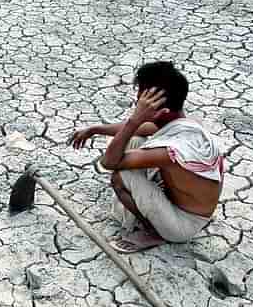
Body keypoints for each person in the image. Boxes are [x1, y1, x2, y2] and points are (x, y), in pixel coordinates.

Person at [68, 61, 224, 253]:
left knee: (121, 177)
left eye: (142, 102)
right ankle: (153, 213)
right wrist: (95, 129)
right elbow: (140, 129)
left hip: (182, 225)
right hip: (183, 204)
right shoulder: (181, 122)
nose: (138, 104)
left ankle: (153, 232)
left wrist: (136, 118)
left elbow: (108, 162)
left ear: (162, 110)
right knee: (134, 140)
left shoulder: (172, 150)